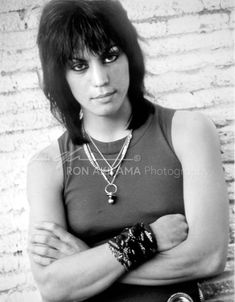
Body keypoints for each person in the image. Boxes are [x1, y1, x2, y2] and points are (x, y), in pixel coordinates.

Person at [27, 0, 229, 301]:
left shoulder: (188, 131)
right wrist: (147, 239)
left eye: (109, 56)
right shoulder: (47, 165)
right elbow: (54, 287)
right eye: (79, 65)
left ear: (129, 55)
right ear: (61, 75)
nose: (100, 80)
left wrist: (91, 258)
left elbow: (209, 256)